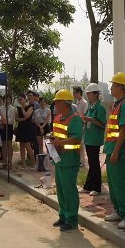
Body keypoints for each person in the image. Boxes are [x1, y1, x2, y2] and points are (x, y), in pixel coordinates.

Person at [103, 72, 125, 229]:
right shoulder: (116, 105)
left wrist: (116, 151)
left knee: (122, 182)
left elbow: (123, 129)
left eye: (114, 85)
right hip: (111, 148)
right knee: (113, 182)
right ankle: (119, 210)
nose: (111, 88)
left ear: (122, 88)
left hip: (120, 150)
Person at [50, 90, 84, 231]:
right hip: (59, 160)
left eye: (57, 102)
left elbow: (76, 138)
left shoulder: (75, 119)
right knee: (61, 190)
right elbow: (57, 134)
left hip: (70, 160)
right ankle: (63, 215)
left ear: (65, 103)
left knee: (69, 190)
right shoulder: (58, 118)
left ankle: (71, 220)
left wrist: (60, 142)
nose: (55, 105)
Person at [80, 83, 107, 196]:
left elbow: (102, 124)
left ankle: (96, 187)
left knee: (94, 164)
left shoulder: (99, 108)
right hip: (89, 138)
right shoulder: (91, 107)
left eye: (90, 94)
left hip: (94, 139)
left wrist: (91, 120)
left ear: (96, 94)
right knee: (92, 163)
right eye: (87, 94)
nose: (88, 96)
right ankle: (88, 186)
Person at [15, 94, 35, 168]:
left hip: (27, 127)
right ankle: (23, 163)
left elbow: (27, 115)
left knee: (28, 145)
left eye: (21, 99)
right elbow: (16, 118)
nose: (20, 101)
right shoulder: (18, 108)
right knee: (21, 145)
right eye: (18, 99)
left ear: (25, 99)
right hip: (21, 127)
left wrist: (22, 109)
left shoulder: (30, 107)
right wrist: (23, 119)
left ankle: (33, 162)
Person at [0, 95, 17, 169]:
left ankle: (10, 161)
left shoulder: (13, 109)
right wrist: (0, 123)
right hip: (2, 126)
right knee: (3, 144)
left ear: (11, 100)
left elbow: (10, 120)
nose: (7, 100)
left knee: (9, 144)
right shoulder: (1, 108)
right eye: (5, 99)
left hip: (9, 127)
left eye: (8, 99)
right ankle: (4, 161)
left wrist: (3, 121)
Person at [74, 86, 89, 165]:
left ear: (79, 93)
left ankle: (82, 160)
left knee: (81, 143)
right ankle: (79, 159)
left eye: (74, 93)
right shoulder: (77, 102)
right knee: (77, 142)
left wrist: (82, 124)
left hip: (82, 124)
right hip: (77, 124)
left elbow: (85, 114)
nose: (73, 94)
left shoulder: (84, 103)